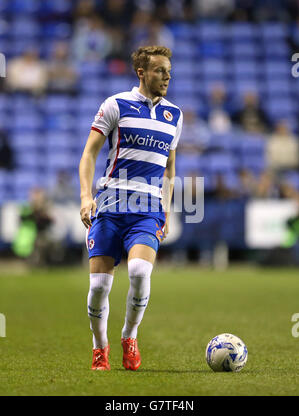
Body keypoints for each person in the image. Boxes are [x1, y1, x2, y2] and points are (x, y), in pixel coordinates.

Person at [79, 45, 182, 371]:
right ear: (141, 72)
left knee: (139, 271)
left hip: (147, 209)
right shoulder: (115, 104)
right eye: (159, 70)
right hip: (110, 206)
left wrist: (164, 209)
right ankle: (100, 347)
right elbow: (89, 155)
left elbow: (169, 170)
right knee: (99, 288)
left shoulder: (174, 115)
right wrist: (85, 196)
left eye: (168, 71)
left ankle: (129, 335)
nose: (166, 76)